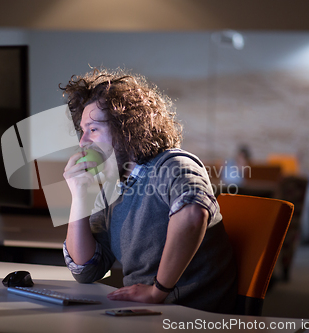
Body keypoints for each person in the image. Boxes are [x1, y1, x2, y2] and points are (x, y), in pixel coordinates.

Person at [59, 68, 237, 313]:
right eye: (82, 130)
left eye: (93, 129)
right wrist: (79, 196)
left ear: (126, 129)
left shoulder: (174, 165)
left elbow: (193, 215)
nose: (82, 142)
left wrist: (157, 291)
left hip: (190, 314)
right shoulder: (113, 185)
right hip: (146, 312)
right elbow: (86, 269)